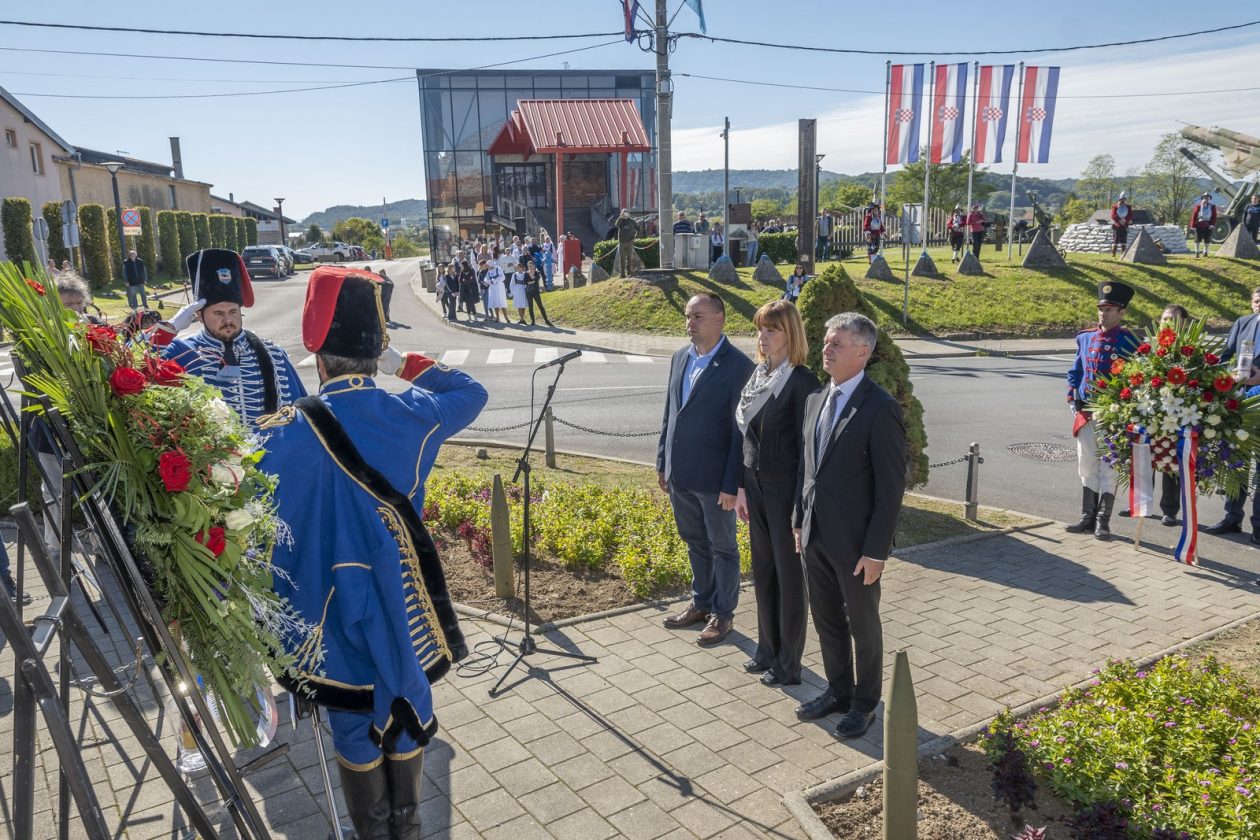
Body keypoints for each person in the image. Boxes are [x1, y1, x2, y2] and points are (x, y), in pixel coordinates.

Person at [260, 265, 487, 840]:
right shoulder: (412, 413)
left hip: (328, 601)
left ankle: (372, 831)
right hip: (400, 595)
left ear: (318, 359)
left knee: (349, 718)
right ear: (373, 352)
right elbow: (470, 391)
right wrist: (397, 361)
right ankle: (407, 827)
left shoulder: (280, 431)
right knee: (405, 705)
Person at [792, 312, 906, 739]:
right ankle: (838, 691)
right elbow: (807, 471)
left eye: (836, 344)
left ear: (862, 352)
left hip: (857, 546)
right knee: (826, 620)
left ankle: (865, 703)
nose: (825, 348)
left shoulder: (880, 408)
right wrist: (799, 522)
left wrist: (876, 551)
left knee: (863, 625)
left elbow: (890, 488)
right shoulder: (817, 400)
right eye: (825, 341)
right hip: (815, 537)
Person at [658, 294, 755, 646]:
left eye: (698, 316)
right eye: (687, 316)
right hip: (680, 473)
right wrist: (662, 462)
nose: (690, 323)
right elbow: (670, 414)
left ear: (720, 319)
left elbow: (739, 432)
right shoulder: (680, 357)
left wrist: (732, 483)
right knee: (695, 542)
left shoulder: (738, 366)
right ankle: (701, 603)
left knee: (723, 547)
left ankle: (723, 613)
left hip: (715, 480)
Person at [733, 301, 820, 688]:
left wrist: (801, 509)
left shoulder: (804, 383)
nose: (763, 337)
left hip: (786, 491)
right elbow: (746, 441)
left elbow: (808, 453)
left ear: (791, 334)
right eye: (760, 330)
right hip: (755, 486)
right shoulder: (758, 375)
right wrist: (740, 487)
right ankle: (766, 649)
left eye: (772, 330)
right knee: (764, 573)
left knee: (788, 578)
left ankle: (789, 664)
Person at [149, 249, 305, 431]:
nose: (228, 320)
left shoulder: (273, 354)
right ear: (199, 315)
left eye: (233, 312)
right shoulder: (181, 352)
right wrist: (170, 329)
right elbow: (136, 366)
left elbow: (300, 414)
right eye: (218, 313)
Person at [1065, 281, 1138, 541]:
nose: (1103, 313)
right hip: (1085, 413)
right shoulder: (1085, 337)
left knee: (1109, 467)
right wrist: (1072, 395)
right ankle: (1087, 516)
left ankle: (1102, 520)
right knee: (1087, 464)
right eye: (1101, 308)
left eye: (1109, 309)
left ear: (1121, 312)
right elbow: (1076, 371)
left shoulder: (1130, 341)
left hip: (1113, 414)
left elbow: (1135, 378)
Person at [1206, 287, 1260, 541]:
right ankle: (1232, 517)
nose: (1259, 304)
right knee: (1236, 461)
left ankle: (1259, 525)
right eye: (1257, 300)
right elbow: (1226, 357)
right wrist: (1222, 374)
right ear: (1251, 303)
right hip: (1239, 403)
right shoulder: (1242, 323)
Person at [523, 262, 552, 327]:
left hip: (536, 292)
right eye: (529, 266)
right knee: (530, 307)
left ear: (534, 266)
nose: (530, 267)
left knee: (540, 306)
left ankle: (546, 320)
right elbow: (525, 282)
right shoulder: (526, 274)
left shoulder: (537, 272)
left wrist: (531, 279)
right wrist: (532, 281)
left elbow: (536, 279)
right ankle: (533, 321)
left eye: (531, 266)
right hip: (528, 292)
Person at [1190, 193, 1216, 258]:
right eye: (1205, 198)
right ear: (1202, 199)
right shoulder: (1198, 207)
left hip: (1208, 225)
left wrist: (1212, 224)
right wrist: (1193, 225)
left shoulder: (1212, 207)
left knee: (1207, 239)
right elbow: (1194, 216)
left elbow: (1214, 217)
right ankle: (1197, 252)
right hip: (1199, 225)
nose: (1206, 199)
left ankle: (1205, 252)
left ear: (1209, 199)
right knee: (1198, 239)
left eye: (1208, 198)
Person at [615, 209, 639, 278]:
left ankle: (629, 273)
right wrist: (621, 217)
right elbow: (616, 224)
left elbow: (638, 228)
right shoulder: (621, 221)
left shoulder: (632, 221)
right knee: (622, 259)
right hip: (621, 242)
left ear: (629, 214)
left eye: (627, 213)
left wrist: (635, 237)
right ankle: (622, 274)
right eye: (624, 213)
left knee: (629, 258)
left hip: (630, 242)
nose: (626, 215)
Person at [1109, 193, 1133, 258]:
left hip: (1125, 225)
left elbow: (1130, 215)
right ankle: (1113, 254)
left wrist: (1125, 220)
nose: (1123, 200)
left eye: (1124, 199)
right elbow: (1113, 215)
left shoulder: (1128, 207)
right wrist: (1119, 220)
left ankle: (1123, 254)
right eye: (1122, 199)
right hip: (1117, 226)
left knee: (1124, 240)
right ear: (1120, 199)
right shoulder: (1115, 206)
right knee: (1116, 240)